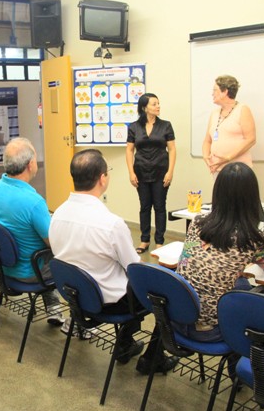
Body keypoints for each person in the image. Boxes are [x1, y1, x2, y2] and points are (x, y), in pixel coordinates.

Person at [49, 149, 178, 372]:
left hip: (76, 296)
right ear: (102, 179)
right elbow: (135, 270)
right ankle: (152, 359)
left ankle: (125, 344)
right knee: (165, 294)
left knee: (125, 282)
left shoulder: (57, 213)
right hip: (109, 302)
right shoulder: (111, 224)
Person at [175, 162, 264, 342]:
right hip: (209, 332)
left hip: (175, 320)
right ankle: (239, 366)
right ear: (252, 198)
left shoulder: (197, 223)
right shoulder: (253, 238)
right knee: (253, 292)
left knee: (241, 283)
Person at [0, 137, 63, 325]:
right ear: (30, 165)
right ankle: (79, 321)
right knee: (71, 257)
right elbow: (54, 244)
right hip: (30, 273)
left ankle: (53, 306)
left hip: (3, 269)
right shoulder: (33, 202)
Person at [126, 93, 176, 254]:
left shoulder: (166, 125)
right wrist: (131, 172)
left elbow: (172, 149)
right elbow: (129, 150)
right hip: (140, 171)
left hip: (161, 171)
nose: (158, 106)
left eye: (158, 103)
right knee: (145, 207)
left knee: (160, 207)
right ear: (144, 107)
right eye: (154, 104)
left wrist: (170, 172)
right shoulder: (134, 127)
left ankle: (159, 242)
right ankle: (144, 240)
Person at [202, 75, 256, 176]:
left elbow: (251, 139)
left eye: (215, 90)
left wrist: (228, 157)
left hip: (238, 170)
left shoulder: (242, 109)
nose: (212, 94)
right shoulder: (214, 113)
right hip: (217, 169)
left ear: (225, 92)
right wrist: (206, 156)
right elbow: (207, 141)